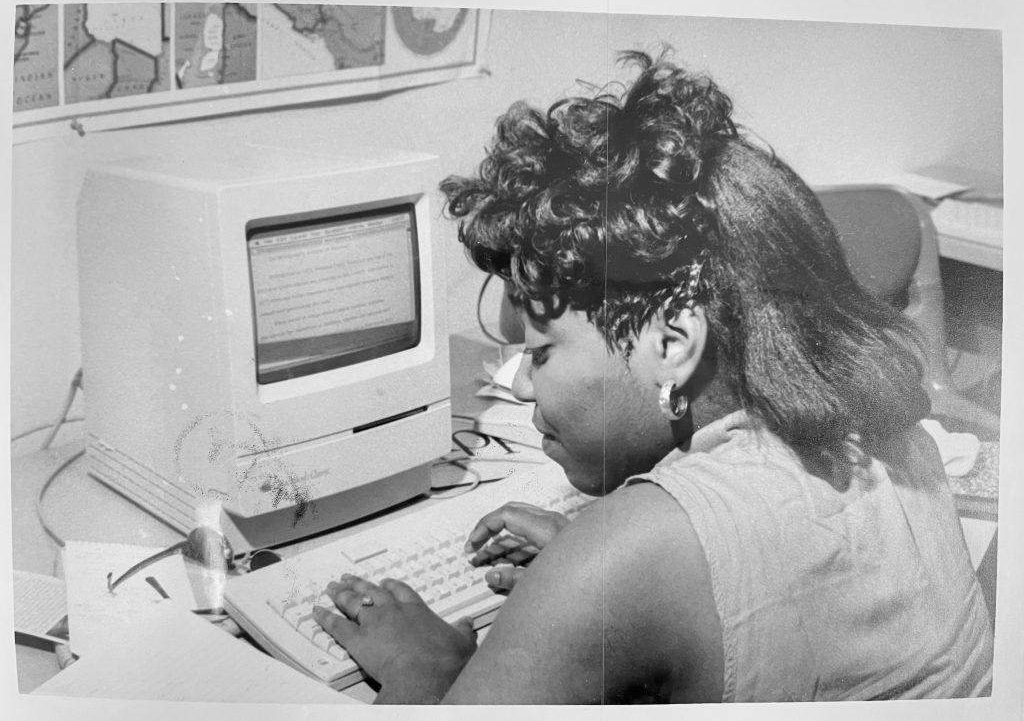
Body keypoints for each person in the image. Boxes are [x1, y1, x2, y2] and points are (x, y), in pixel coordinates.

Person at [312, 50, 994, 703]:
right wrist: (610, 577)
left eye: (543, 352)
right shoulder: (896, 432)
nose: (519, 387)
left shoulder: (623, 557)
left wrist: (431, 672)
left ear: (672, 342)